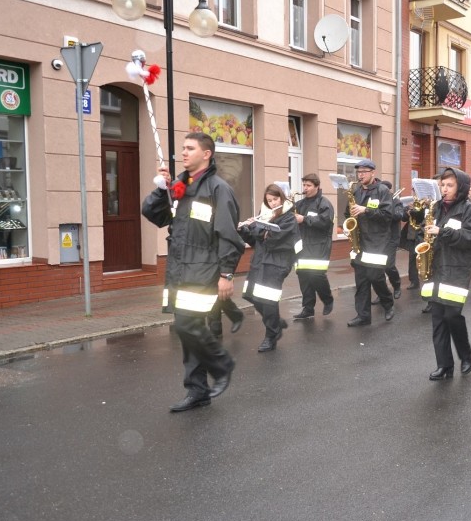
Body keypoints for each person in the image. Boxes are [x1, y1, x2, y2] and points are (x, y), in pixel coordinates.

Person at [141, 132, 245, 412]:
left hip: (204, 269)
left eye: (190, 148)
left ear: (206, 154)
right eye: (182, 148)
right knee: (187, 330)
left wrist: (226, 274)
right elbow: (154, 215)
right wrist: (161, 189)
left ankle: (221, 365)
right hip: (179, 268)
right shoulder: (180, 186)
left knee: (189, 325)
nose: (183, 153)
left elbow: (229, 236)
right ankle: (197, 390)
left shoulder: (217, 189)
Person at [421, 168, 471, 380]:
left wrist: (441, 232)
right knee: (437, 318)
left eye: (449, 185)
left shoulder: (469, 210)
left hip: (457, 269)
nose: (444, 189)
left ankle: (465, 355)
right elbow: (426, 231)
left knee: (452, 315)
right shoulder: (435, 208)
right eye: (442, 185)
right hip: (436, 268)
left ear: (461, 187)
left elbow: (469, 237)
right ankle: (444, 365)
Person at [238, 184, 300, 351]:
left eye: (275, 199)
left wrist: (256, 228)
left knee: (268, 300)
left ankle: (271, 336)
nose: (272, 203)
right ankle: (277, 323)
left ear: (281, 197)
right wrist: (244, 230)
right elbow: (256, 241)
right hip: (259, 261)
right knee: (250, 295)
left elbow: (272, 240)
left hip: (277, 263)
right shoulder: (264, 216)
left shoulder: (289, 218)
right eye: (269, 200)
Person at [345, 158, 395, 327]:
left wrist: (366, 210)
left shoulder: (382, 191)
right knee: (361, 280)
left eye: (364, 172)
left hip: (377, 241)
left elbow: (388, 215)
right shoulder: (356, 191)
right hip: (360, 241)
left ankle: (388, 302)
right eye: (358, 172)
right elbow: (348, 213)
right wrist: (347, 226)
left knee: (375, 276)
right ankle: (363, 315)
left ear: (373, 173)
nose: (360, 175)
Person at [292, 173, 335, 319]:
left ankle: (327, 299)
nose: (305, 188)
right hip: (302, 246)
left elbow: (325, 223)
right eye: (304, 185)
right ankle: (308, 308)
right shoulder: (299, 204)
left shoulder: (324, 203)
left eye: (308, 185)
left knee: (317, 275)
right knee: (303, 276)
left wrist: (304, 219)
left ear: (317, 186)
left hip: (318, 246)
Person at [372, 180, 404, 303]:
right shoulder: (376, 201)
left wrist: (385, 211)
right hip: (378, 238)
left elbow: (399, 216)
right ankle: (382, 294)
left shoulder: (396, 201)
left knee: (388, 265)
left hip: (392, 238)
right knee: (378, 268)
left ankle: (396, 285)